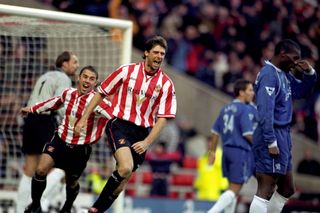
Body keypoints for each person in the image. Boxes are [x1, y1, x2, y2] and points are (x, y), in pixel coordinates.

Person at [75, 35, 177, 212]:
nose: (160, 56)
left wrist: (147, 142)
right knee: (125, 167)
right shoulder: (126, 71)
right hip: (120, 125)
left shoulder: (166, 84)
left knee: (121, 184)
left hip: (143, 133)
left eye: (162, 53)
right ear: (146, 53)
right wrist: (84, 118)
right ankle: (94, 209)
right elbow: (101, 92)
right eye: (156, 52)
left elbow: (163, 118)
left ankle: (97, 210)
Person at [22, 66, 112, 213]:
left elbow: (115, 117)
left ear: (95, 83)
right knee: (40, 170)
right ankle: (35, 205)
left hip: (80, 148)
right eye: (85, 77)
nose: (87, 81)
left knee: (71, 182)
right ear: (79, 78)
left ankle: (68, 205)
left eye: (91, 79)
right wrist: (33, 109)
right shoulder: (68, 93)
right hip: (60, 140)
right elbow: (55, 102)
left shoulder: (99, 102)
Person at [249, 39, 317, 213]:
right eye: (294, 58)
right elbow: (264, 111)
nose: (296, 62)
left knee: (287, 189)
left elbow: (302, 92)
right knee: (266, 186)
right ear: (283, 54)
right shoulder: (269, 75)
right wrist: (271, 141)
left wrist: (309, 72)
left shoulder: (284, 74)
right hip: (271, 134)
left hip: (283, 135)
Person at [17, 51, 79, 213]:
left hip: (31, 120)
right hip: (45, 121)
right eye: (74, 62)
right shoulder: (64, 79)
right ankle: (38, 201)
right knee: (57, 166)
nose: (76, 66)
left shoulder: (44, 75)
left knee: (30, 168)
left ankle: (21, 207)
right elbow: (58, 103)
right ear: (64, 64)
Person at [206, 79, 256, 213]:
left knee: (231, 190)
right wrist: (262, 146)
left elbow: (215, 132)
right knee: (235, 189)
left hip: (226, 151)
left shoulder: (225, 108)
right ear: (241, 92)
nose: (253, 93)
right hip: (240, 151)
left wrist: (212, 153)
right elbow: (247, 134)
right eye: (250, 90)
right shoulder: (245, 109)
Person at [193, 137, 228, 202]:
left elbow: (223, 172)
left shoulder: (220, 156)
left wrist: (223, 188)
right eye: (208, 143)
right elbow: (200, 173)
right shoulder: (203, 157)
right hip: (203, 194)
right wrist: (196, 186)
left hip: (215, 194)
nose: (209, 145)